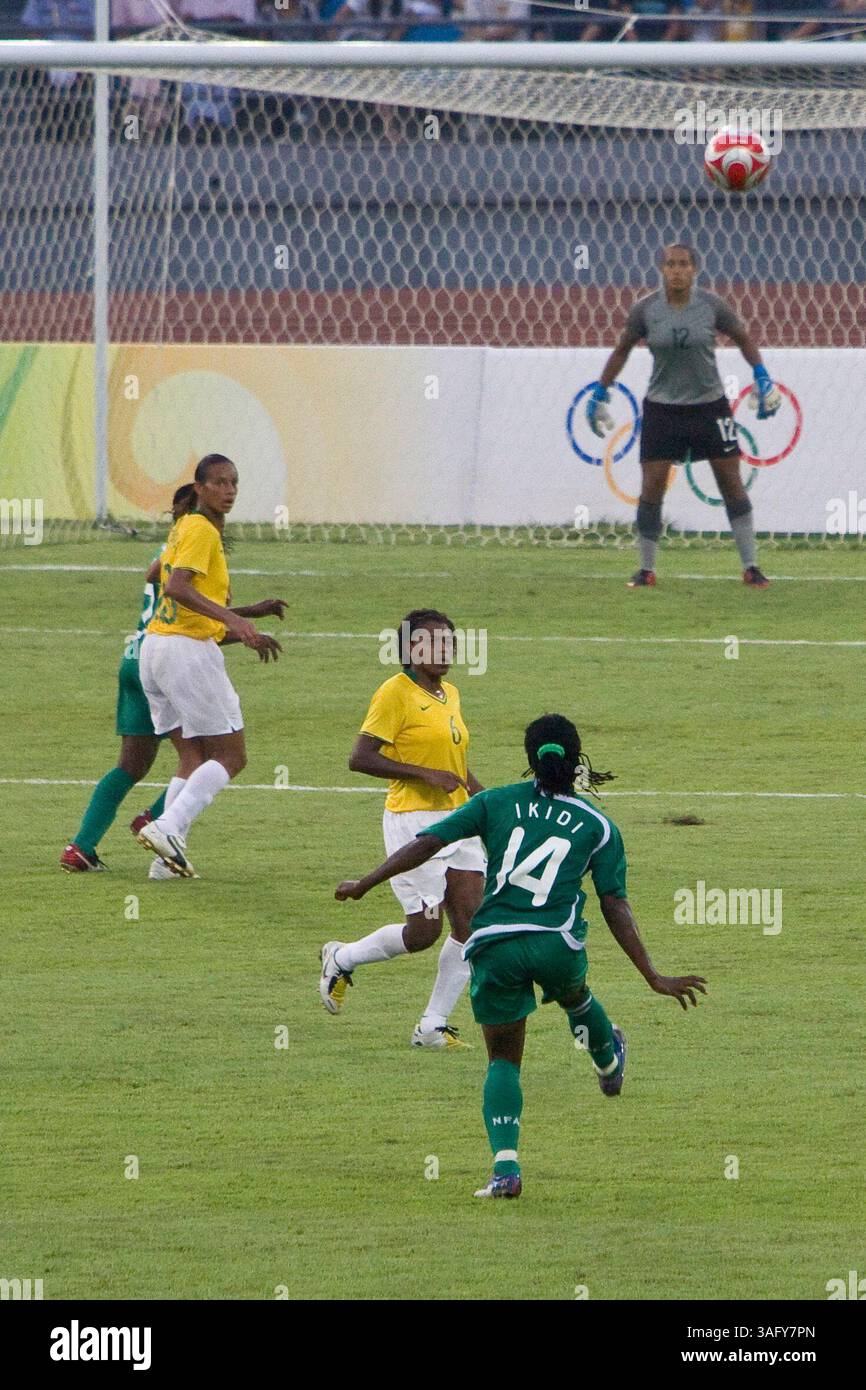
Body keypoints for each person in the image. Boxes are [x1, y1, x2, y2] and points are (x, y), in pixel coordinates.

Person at [336, 714, 707, 1198]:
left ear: (530, 760)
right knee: (575, 995)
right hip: (556, 944)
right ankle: (608, 1059)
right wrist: (653, 976)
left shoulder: (494, 801)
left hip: (494, 945)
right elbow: (615, 906)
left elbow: (427, 843)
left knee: (504, 1060)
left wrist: (365, 883)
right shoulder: (598, 826)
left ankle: (505, 1169)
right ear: (578, 763)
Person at [319, 609, 486, 1050]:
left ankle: (433, 1024)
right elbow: (360, 757)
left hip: (459, 820)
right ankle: (342, 957)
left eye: (449, 643)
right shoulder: (394, 693)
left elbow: (456, 763)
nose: (444, 651)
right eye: (433, 643)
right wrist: (422, 775)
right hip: (413, 819)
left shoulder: (449, 692)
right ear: (411, 650)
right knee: (424, 933)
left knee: (472, 923)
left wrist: (487, 805)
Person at [586, 243, 782, 589]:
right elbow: (622, 350)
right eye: (670, 264)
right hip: (663, 409)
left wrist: (762, 375)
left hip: (710, 406)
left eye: (683, 264)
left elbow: (743, 337)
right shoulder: (646, 310)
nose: (676, 270)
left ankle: (751, 566)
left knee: (731, 483)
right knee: (652, 486)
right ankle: (646, 569)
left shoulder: (711, 306)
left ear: (695, 270)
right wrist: (601, 391)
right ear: (662, 269)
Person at [137, 454, 283, 876]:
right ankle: (169, 827)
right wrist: (233, 617)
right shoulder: (200, 529)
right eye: (219, 483)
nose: (229, 490)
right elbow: (176, 586)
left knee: (195, 757)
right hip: (186, 653)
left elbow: (155, 574)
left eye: (234, 482)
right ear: (199, 488)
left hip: (156, 649)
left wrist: (246, 611)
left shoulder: (185, 526)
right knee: (232, 756)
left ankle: (164, 859)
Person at [61, 485, 204, 874]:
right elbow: (199, 611)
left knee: (130, 765)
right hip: (165, 659)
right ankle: (155, 822)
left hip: (134, 657)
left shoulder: (165, 549)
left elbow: (155, 575)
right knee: (206, 757)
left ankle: (81, 847)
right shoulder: (195, 548)